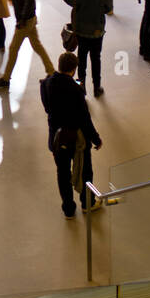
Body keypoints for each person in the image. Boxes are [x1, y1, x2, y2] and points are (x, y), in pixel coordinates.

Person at [40, 52, 102, 218]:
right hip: (76, 138)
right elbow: (84, 119)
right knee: (85, 171)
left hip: (57, 138)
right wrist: (96, 138)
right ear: (74, 70)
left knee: (63, 173)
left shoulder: (46, 83)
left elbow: (47, 108)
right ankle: (87, 203)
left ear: (59, 65)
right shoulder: (76, 89)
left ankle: (68, 208)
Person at [63, 0, 113, 96]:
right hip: (97, 31)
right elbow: (109, 8)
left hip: (80, 32)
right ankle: (97, 87)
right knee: (96, 60)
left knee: (81, 61)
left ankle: (81, 87)